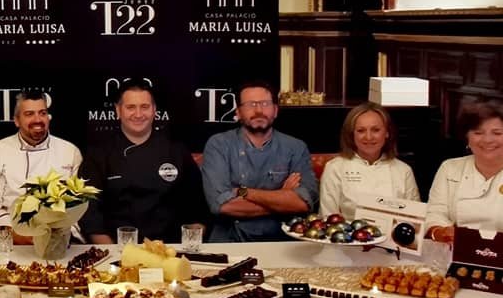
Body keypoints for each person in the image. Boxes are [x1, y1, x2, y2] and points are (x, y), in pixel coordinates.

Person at [81, 80, 206, 244]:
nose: (138, 114)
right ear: (118, 110)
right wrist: (111, 253)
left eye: (145, 107)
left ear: (154, 110)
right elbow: (90, 213)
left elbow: (197, 207)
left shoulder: (176, 151)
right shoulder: (98, 154)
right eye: (130, 107)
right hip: (117, 249)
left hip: (169, 249)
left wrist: (187, 249)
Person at [201, 79, 319, 241]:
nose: (258, 110)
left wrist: (244, 192)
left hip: (282, 241)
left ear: (275, 110)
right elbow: (222, 206)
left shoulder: (296, 148)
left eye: (265, 104)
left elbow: (302, 204)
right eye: (251, 104)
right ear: (238, 112)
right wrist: (282, 197)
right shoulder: (219, 144)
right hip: (230, 240)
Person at [0, 91, 83, 243]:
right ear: (16, 120)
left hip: (58, 239)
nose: (38, 120)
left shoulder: (69, 151)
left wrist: (56, 234)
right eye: (29, 114)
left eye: (42, 113)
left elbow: (78, 203)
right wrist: (15, 234)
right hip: (11, 238)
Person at [319, 102, 419, 219]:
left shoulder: (404, 170)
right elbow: (328, 217)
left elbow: (415, 218)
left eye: (376, 130)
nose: (368, 137)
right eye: (361, 130)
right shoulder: (335, 168)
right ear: (352, 134)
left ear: (387, 133)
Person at [425, 101, 503, 243]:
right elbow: (435, 213)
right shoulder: (450, 168)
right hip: (454, 249)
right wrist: (441, 231)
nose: (487, 140)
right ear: (467, 138)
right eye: (478, 133)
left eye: (497, 133)